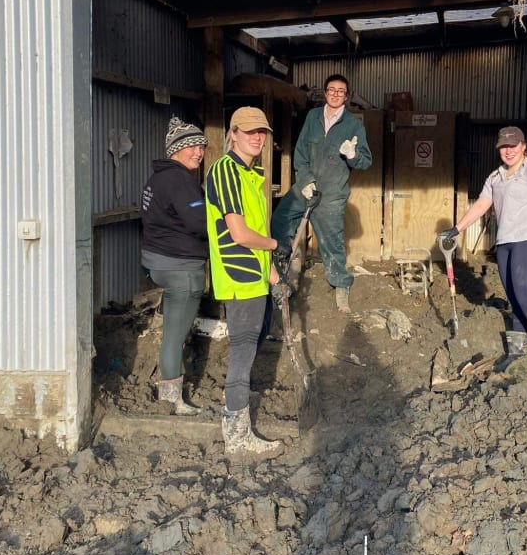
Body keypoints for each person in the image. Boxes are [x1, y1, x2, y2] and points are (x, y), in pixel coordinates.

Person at [437, 125, 527, 362]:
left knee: (525, 296)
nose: (508, 150)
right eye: (503, 146)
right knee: (513, 297)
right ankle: (518, 350)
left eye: (513, 145)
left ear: (523, 146)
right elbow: (482, 205)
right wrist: (456, 229)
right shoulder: (495, 177)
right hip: (504, 242)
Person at [205, 106, 287, 455]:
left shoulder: (252, 174)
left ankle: (241, 405)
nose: (257, 137)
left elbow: (258, 228)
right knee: (242, 349)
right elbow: (240, 234)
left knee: (250, 347)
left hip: (256, 276)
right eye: (249, 131)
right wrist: (275, 245)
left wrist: (274, 275)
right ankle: (237, 434)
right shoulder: (226, 171)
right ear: (233, 134)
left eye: (262, 132)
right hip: (239, 275)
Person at [271, 73, 372, 314]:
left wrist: (352, 155)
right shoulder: (312, 116)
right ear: (325, 93)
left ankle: (340, 285)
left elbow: (366, 161)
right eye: (332, 89)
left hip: (332, 192)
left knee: (331, 241)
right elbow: (301, 152)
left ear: (346, 96)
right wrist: (305, 180)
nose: (336, 94)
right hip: (306, 186)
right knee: (281, 218)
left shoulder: (353, 124)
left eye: (341, 91)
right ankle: (285, 265)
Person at [140, 116, 210, 415]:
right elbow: (200, 223)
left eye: (201, 146)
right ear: (174, 150)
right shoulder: (180, 180)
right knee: (175, 334)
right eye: (191, 146)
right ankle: (171, 398)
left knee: (173, 328)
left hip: (158, 262)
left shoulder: (157, 178)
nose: (198, 152)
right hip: (180, 268)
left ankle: (169, 387)